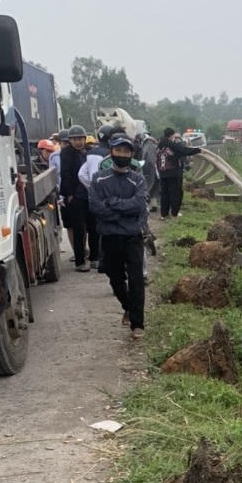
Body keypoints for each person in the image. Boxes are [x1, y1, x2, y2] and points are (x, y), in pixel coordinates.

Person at [89, 133, 149, 339]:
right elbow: (96, 207)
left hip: (132, 236)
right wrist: (124, 211)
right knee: (114, 278)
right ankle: (128, 307)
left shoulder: (138, 179)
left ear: (131, 155)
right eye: (118, 150)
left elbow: (139, 204)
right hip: (109, 237)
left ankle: (138, 324)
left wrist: (112, 203)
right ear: (111, 152)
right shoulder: (98, 179)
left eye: (126, 151)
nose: (122, 154)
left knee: (136, 279)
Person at [59, 124, 96, 271]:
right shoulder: (66, 153)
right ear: (70, 140)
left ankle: (95, 258)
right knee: (79, 229)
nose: (78, 142)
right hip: (75, 196)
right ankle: (80, 261)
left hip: (90, 195)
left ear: (84, 139)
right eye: (74, 139)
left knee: (93, 228)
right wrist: (69, 194)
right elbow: (65, 173)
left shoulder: (90, 152)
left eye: (80, 138)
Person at [156, 127, 202, 219]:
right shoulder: (172, 144)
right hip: (173, 173)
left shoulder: (159, 145)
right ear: (171, 135)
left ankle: (163, 215)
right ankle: (174, 214)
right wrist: (198, 150)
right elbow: (184, 150)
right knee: (175, 194)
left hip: (162, 173)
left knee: (165, 194)